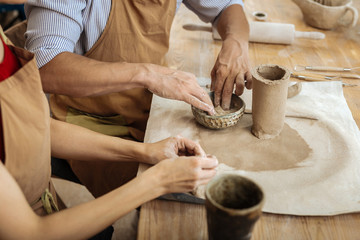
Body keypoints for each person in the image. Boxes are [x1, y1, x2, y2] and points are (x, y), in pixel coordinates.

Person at [0, 1, 218, 238]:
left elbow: (37, 127)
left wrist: (145, 151)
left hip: (44, 197)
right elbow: (32, 233)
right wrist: (157, 181)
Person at [20, 0, 250, 197]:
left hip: (149, 102)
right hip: (88, 119)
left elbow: (228, 6)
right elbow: (44, 66)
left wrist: (236, 42)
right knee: (183, 192)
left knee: (230, 165)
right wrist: (145, 74)